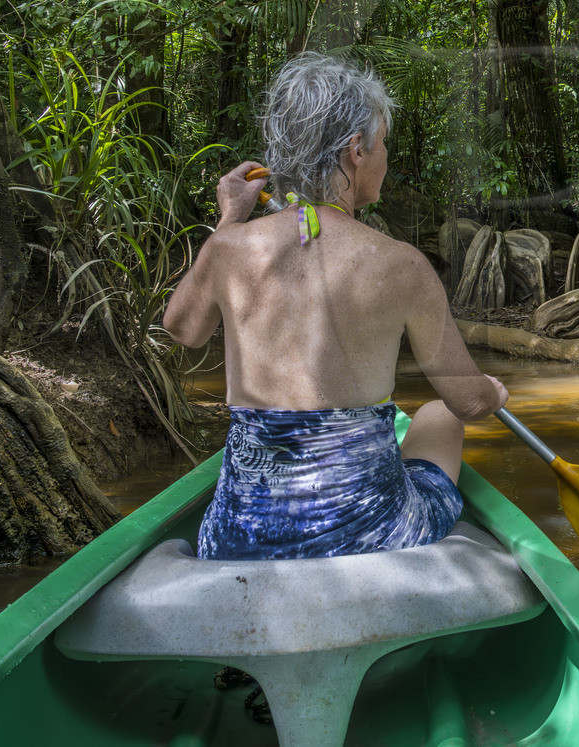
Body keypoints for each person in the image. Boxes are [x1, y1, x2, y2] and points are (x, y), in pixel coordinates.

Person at [162, 52, 508, 559]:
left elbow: (183, 329)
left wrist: (229, 220)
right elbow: (469, 402)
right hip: (370, 536)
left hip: (239, 537)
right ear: (356, 150)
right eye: (383, 142)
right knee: (438, 414)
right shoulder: (402, 265)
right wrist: (492, 394)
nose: (386, 156)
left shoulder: (230, 248)